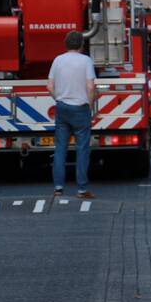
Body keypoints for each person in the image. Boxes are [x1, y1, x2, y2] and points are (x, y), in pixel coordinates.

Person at [47, 31, 97, 199]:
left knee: (60, 148)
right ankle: (82, 189)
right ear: (81, 45)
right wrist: (89, 105)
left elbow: (49, 86)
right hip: (80, 108)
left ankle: (58, 187)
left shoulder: (57, 60)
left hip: (62, 107)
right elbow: (90, 87)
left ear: (66, 44)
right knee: (82, 149)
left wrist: (58, 98)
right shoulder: (86, 61)